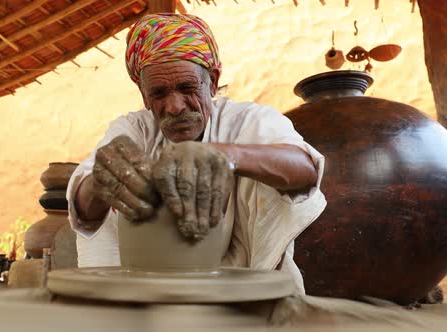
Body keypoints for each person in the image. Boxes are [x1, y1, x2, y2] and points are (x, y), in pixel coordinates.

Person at [66, 13, 326, 293]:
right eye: (159, 93)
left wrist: (224, 156)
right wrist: (102, 178)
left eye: (187, 88)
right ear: (143, 95)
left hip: (243, 287)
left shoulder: (247, 120)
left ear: (212, 82)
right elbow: (83, 208)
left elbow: (306, 172)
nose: (175, 106)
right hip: (146, 292)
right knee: (108, 180)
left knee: (265, 169)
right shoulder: (134, 129)